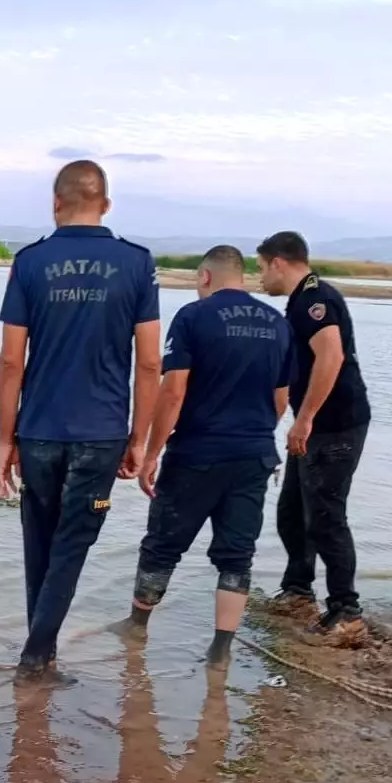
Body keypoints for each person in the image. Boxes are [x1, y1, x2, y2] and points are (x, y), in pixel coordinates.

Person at [0, 159, 161, 680]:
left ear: (55, 202)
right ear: (106, 205)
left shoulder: (30, 262)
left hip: (39, 429)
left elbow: (9, 360)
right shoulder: (137, 263)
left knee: (39, 542)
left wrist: (6, 439)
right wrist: (141, 438)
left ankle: (39, 653)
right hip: (102, 432)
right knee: (70, 546)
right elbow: (151, 361)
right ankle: (35, 657)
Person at [126, 245, 294, 665]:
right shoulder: (278, 323)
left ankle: (136, 631)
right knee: (237, 554)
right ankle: (220, 650)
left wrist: (150, 452)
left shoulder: (192, 317)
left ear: (204, 277)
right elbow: (281, 398)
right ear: (241, 276)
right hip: (254, 454)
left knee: (163, 545)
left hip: (196, 453)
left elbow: (174, 391)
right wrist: (254, 436)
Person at [256, 232, 371, 645]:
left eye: (260, 267)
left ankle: (347, 611)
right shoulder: (300, 301)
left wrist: (304, 420)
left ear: (278, 263)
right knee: (292, 512)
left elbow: (332, 356)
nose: (259, 277)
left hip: (336, 424)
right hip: (315, 425)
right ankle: (298, 590)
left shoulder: (314, 298)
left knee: (325, 518)